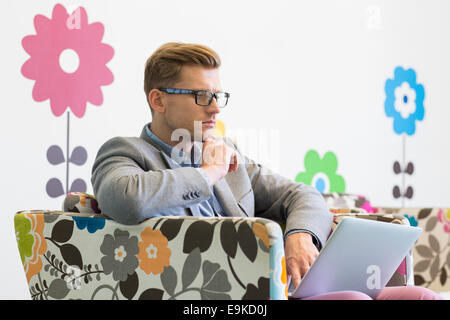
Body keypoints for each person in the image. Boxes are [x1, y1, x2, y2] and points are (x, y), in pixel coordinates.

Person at [91, 42, 442, 300]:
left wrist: (300, 236)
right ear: (158, 100)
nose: (215, 109)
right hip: (211, 298)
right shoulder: (126, 152)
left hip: (274, 287)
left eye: (219, 96)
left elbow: (300, 194)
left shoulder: (230, 158)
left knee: (423, 297)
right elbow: (125, 199)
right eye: (201, 96)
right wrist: (209, 173)